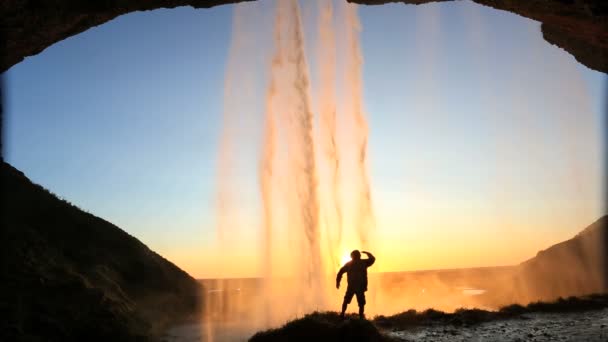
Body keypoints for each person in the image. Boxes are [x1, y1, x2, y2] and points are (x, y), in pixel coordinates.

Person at [336, 250, 375, 319]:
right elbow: (372, 259)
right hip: (357, 286)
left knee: (350, 301)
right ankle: (359, 316)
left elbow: (340, 272)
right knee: (360, 303)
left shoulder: (352, 263)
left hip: (354, 286)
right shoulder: (363, 262)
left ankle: (343, 314)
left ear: (352, 256)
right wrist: (367, 253)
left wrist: (338, 282)